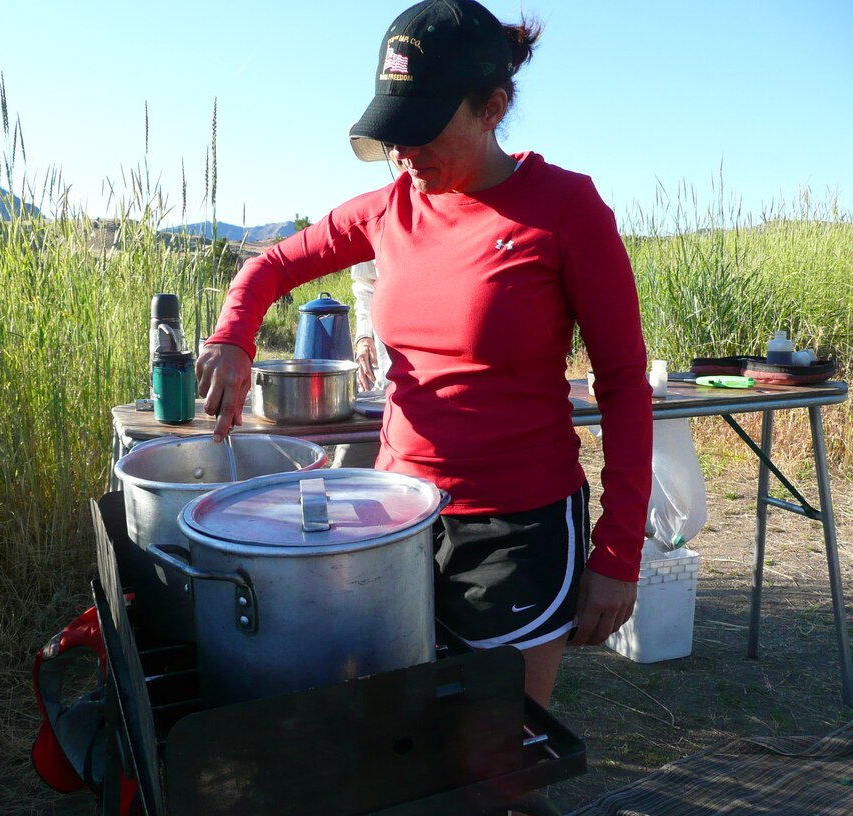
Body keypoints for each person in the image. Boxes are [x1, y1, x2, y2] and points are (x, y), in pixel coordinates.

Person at [196, 0, 652, 711]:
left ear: (492, 107)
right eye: (393, 133)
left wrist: (619, 552)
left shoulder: (565, 210)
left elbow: (625, 385)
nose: (403, 155)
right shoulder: (389, 209)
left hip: (516, 530)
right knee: (400, 733)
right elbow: (271, 266)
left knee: (498, 750)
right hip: (395, 517)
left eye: (422, 130)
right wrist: (232, 335)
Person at [329, 258, 391, 468]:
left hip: (451, 401)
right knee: (345, 474)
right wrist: (364, 335)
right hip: (384, 388)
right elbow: (365, 285)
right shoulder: (380, 225)